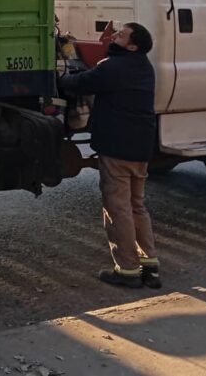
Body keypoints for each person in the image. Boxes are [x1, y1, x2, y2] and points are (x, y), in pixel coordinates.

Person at [59, 22, 160, 289]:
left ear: (132, 45)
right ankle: (149, 264)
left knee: (118, 208)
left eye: (121, 35)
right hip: (140, 147)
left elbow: (77, 84)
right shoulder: (143, 67)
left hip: (118, 147)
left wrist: (56, 77)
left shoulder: (113, 68)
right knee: (137, 205)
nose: (114, 35)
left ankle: (127, 269)